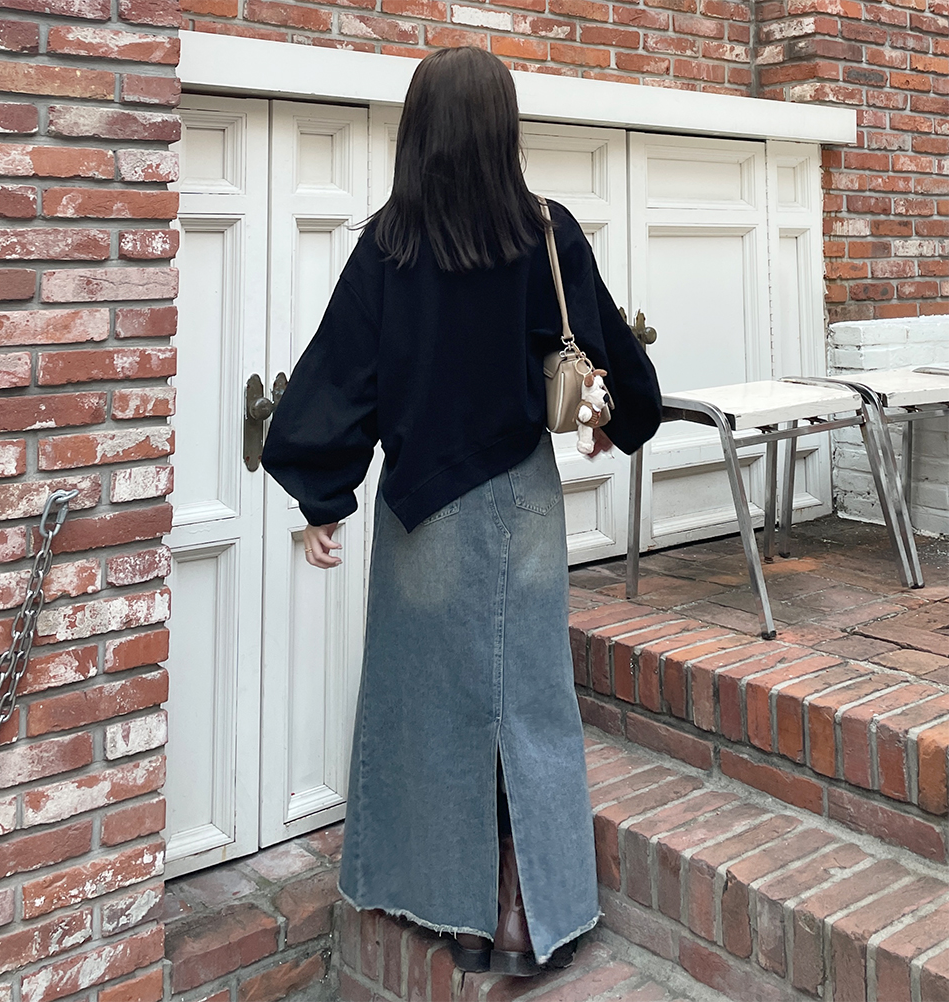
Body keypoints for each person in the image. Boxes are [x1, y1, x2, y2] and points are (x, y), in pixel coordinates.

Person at [261, 46, 662, 977]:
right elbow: (609, 349)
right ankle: (524, 909)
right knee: (528, 703)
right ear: (502, 126)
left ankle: (459, 912)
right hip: (521, 501)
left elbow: (339, 376)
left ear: (419, 130)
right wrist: (622, 419)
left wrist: (323, 498)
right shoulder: (547, 231)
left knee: (431, 710)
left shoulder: (388, 246)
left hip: (420, 520)